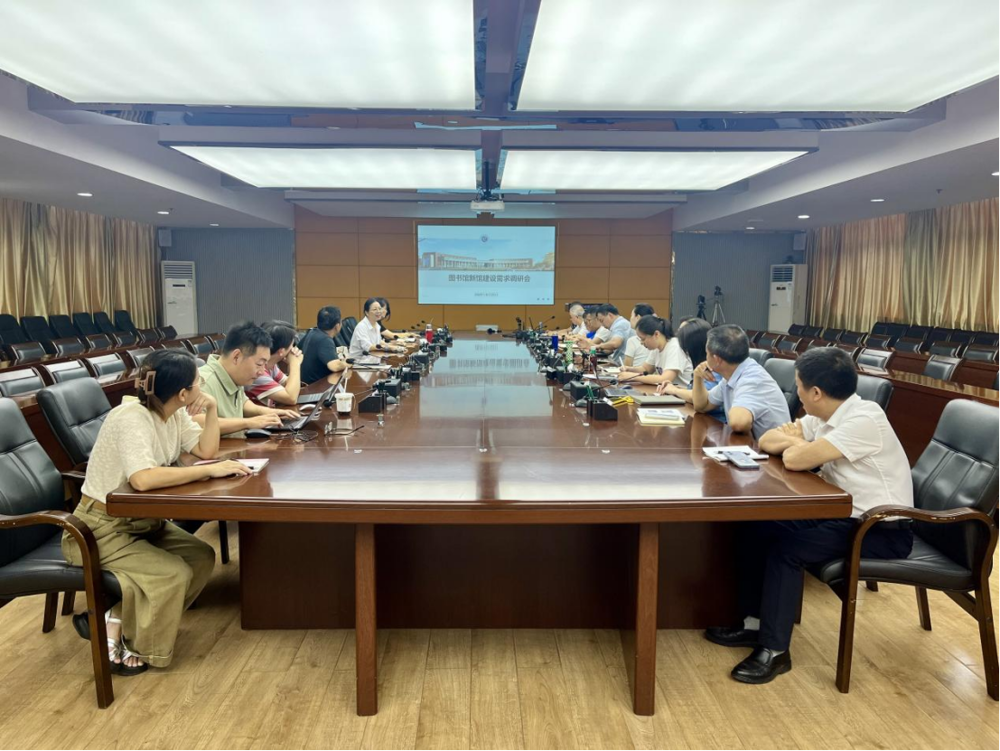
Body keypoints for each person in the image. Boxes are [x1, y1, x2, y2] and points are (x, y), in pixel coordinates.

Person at [706, 347, 914, 684]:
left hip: (879, 529)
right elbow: (768, 440)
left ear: (815, 392)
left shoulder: (864, 420)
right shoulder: (824, 416)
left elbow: (793, 460)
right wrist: (802, 445)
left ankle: (775, 651)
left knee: (787, 551)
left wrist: (798, 447)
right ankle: (754, 623)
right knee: (756, 527)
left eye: (799, 386)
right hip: (839, 512)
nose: (797, 393)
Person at [61, 349, 252, 674]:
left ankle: (113, 618)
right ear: (182, 394)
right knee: (172, 574)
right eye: (198, 383)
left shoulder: (172, 413)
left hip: (143, 521)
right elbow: (143, 478)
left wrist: (211, 408)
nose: (202, 386)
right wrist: (207, 472)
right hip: (99, 528)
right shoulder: (130, 417)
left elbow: (206, 450)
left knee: (200, 557)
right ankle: (138, 645)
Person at [196, 321, 299, 437]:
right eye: (259, 364)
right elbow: (196, 421)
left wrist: (273, 413)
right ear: (236, 357)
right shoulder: (202, 381)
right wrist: (248, 423)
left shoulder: (234, 375)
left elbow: (243, 403)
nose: (262, 372)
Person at [692, 324, 790, 438]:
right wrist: (697, 377)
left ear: (717, 359)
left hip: (771, 448)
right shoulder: (732, 375)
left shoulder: (752, 379)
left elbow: (738, 423)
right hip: (752, 445)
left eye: (707, 353)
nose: (706, 358)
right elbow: (702, 406)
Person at [618, 315, 692, 387]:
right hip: (667, 392)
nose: (641, 342)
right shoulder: (656, 348)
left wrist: (631, 376)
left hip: (682, 392)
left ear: (656, 334)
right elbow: (646, 369)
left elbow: (665, 379)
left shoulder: (675, 347)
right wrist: (629, 369)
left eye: (643, 339)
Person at [246, 320, 303, 407]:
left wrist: (291, 365)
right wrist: (295, 364)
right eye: (292, 345)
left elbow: (288, 384)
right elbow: (291, 398)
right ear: (281, 351)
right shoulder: (257, 372)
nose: (293, 349)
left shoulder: (271, 365)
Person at [658, 318, 714, 401]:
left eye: (686, 348)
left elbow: (702, 398)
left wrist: (674, 390)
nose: (685, 352)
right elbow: (695, 391)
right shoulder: (700, 363)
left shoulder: (713, 367)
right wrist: (674, 387)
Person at [299, 306, 349, 384]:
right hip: (315, 386)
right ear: (337, 326)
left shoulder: (312, 332)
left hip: (305, 383)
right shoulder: (325, 340)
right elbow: (334, 366)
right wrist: (348, 363)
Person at [621, 303, 656, 368]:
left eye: (631, 316)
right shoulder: (655, 338)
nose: (630, 319)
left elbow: (627, 366)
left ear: (638, 317)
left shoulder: (632, 340)